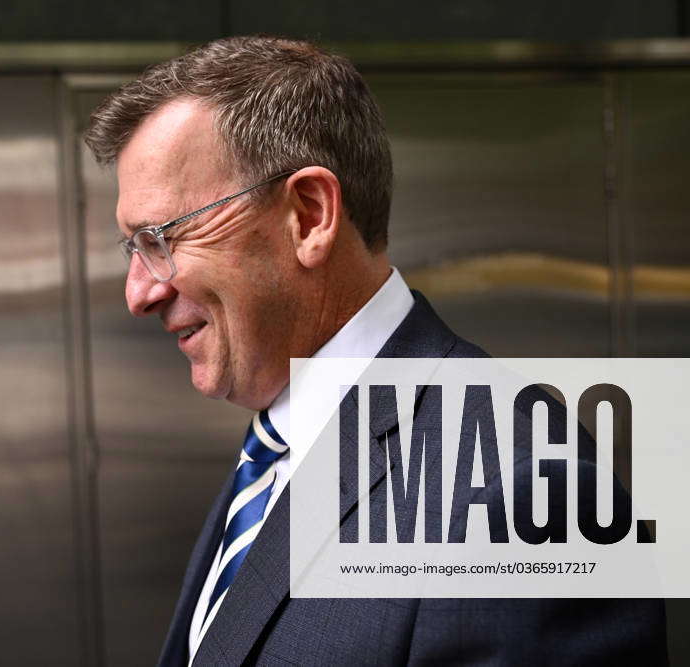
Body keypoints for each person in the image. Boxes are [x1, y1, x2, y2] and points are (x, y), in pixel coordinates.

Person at [83, 35, 668, 666]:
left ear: (308, 215)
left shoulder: (518, 490)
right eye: (132, 248)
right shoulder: (278, 447)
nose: (138, 292)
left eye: (161, 238)